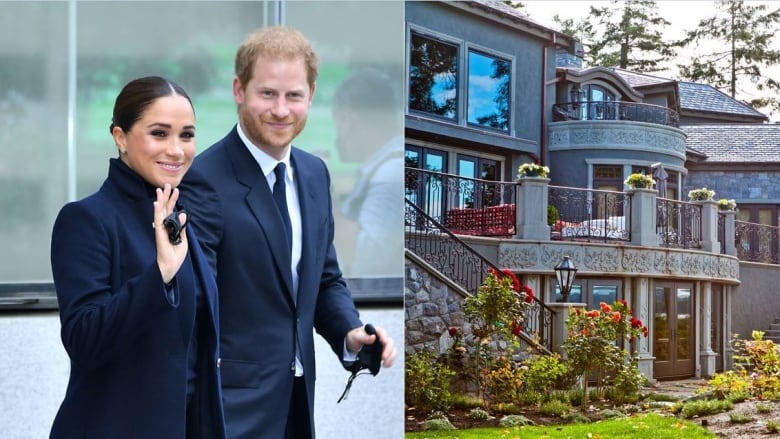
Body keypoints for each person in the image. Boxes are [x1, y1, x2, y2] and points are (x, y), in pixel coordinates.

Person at [179, 26, 398, 439]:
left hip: (297, 404)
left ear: (311, 96)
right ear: (238, 90)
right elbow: (194, 309)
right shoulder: (204, 180)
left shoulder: (314, 174)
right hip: (229, 412)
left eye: (293, 95)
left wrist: (350, 334)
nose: (281, 109)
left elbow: (325, 278)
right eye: (268, 93)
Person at [49, 76, 225, 439]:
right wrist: (159, 273)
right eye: (159, 133)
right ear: (120, 137)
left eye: (187, 135)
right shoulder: (87, 219)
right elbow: (84, 339)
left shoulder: (180, 217)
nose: (176, 150)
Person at [332, 68, 404, 279]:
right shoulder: (382, 167)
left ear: (348, 118)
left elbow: (366, 259)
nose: (339, 134)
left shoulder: (390, 173)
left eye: (338, 122)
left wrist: (319, 191)